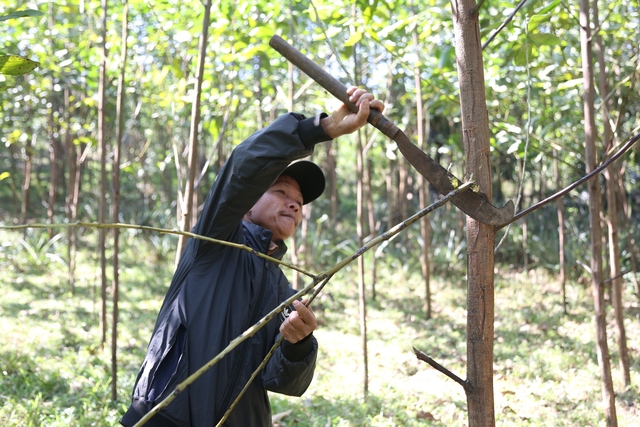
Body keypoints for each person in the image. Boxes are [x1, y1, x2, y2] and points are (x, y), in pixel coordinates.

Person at [121, 87, 384, 427]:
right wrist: (322, 128)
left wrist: (298, 345)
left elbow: (282, 380)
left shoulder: (284, 289)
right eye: (281, 192)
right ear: (246, 203)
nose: (293, 203)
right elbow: (243, 166)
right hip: (165, 416)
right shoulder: (216, 240)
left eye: (299, 202)